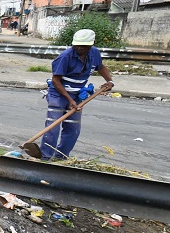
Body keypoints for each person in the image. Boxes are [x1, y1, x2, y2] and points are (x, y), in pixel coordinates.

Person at [39, 29, 114, 160]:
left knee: (73, 129)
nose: (79, 48)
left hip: (77, 95)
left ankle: (61, 157)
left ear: (91, 45)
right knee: (53, 128)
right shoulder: (65, 56)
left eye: (83, 46)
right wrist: (69, 99)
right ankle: (45, 157)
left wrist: (110, 81)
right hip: (59, 94)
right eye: (77, 45)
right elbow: (56, 80)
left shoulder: (94, 53)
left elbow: (100, 67)